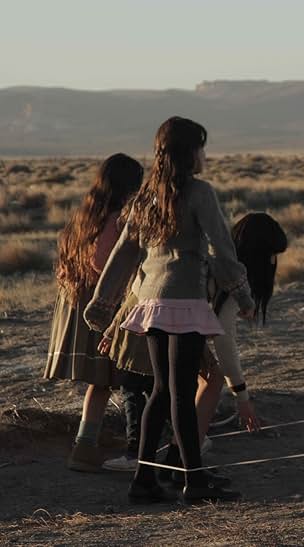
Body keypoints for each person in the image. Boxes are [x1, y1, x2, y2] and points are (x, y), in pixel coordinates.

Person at [85, 116, 254, 504]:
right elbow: (222, 249)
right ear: (188, 153)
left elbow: (125, 253)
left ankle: (144, 480)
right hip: (185, 301)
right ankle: (193, 480)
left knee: (162, 391)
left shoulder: (145, 196)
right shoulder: (199, 193)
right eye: (201, 147)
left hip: (150, 303)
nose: (204, 155)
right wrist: (242, 296)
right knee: (179, 393)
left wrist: (102, 304)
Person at [99, 212, 285, 474]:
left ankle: (175, 462)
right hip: (160, 318)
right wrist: (242, 398)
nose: (273, 263)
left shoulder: (212, 256)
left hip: (147, 312)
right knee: (197, 382)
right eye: (271, 255)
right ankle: (177, 462)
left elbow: (137, 283)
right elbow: (225, 340)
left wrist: (114, 326)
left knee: (177, 386)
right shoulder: (232, 274)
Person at [44, 153, 143, 472]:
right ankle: (88, 448)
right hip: (100, 308)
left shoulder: (85, 217)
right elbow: (104, 266)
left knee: (101, 382)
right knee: (110, 379)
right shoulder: (116, 220)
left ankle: (86, 446)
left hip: (79, 305)